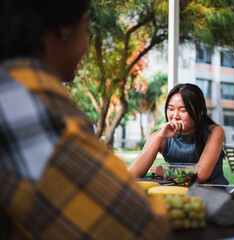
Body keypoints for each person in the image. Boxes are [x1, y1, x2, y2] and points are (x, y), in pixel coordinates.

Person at [0, 0, 170, 239]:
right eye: (86, 25)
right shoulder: (30, 106)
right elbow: (138, 226)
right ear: (64, 29)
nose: (88, 43)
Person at [130, 83, 229, 184]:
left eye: (183, 110)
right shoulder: (161, 136)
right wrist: (160, 137)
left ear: (200, 112)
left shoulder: (214, 132)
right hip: (178, 193)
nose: (175, 116)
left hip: (213, 193)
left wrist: (166, 171)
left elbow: (201, 174)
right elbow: (133, 173)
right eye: (171, 109)